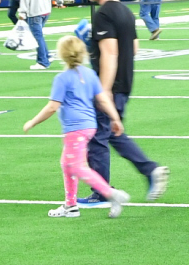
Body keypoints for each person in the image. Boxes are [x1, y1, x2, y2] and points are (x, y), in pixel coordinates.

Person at [81, 0, 168, 204]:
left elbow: (110, 54)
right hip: (125, 83)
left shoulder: (104, 14)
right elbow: (134, 48)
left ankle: (104, 190)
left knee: (98, 137)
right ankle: (148, 170)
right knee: (112, 132)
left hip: (110, 86)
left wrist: (104, 90)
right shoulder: (125, 11)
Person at [21, 33, 129, 220]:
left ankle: (110, 194)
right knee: (67, 163)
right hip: (89, 126)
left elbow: (52, 107)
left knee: (77, 166)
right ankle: (70, 205)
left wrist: (33, 121)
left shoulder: (62, 79)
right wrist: (115, 118)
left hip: (75, 128)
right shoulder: (89, 74)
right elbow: (103, 99)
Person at [19, 0, 58, 70]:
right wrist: (59, 1)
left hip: (35, 11)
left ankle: (43, 62)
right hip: (46, 10)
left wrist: (22, 11)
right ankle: (47, 56)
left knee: (37, 37)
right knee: (39, 35)